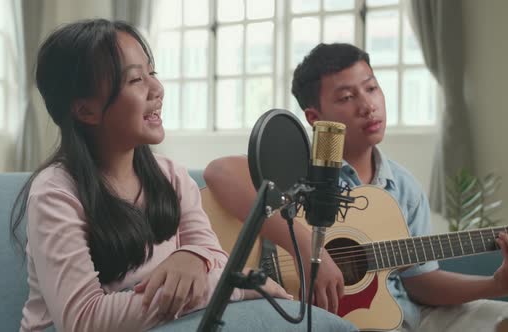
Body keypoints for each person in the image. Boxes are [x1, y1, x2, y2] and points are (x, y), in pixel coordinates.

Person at [9, 19, 356, 332]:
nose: (156, 89)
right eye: (134, 79)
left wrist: (190, 257)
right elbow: (84, 319)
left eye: (152, 73)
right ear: (85, 109)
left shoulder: (170, 176)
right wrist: (239, 284)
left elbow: (214, 257)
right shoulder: (56, 192)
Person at [203, 43, 508, 331]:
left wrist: (494, 285)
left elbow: (420, 281)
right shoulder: (296, 168)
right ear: (314, 117)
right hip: (301, 314)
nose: (368, 105)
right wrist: (307, 248)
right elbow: (220, 171)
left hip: (396, 315)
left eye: (372, 88)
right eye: (347, 97)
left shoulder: (402, 187)